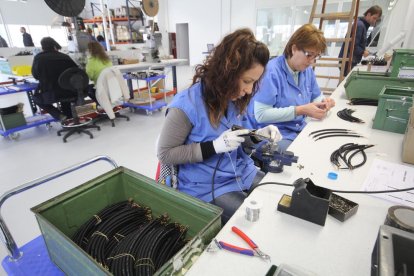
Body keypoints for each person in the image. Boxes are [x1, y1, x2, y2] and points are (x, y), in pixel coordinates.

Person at [157, 28, 282, 224]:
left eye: (254, 82)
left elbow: (243, 135)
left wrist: (259, 135)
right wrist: (213, 147)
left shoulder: (235, 98)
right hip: (207, 186)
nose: (249, 90)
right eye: (246, 81)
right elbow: (165, 154)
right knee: (256, 222)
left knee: (277, 199)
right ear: (227, 72)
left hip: (241, 171)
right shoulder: (186, 105)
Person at [249, 24, 335, 151]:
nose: (312, 61)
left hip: (297, 128)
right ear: (294, 48)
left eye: (315, 56)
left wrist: (325, 103)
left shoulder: (306, 70)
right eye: (308, 55)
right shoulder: (271, 72)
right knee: (301, 154)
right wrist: (300, 110)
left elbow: (317, 97)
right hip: (274, 134)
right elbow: (261, 115)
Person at [32, 37, 78, 121]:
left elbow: (35, 75)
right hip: (70, 91)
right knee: (65, 99)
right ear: (54, 45)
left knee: (36, 98)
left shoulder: (39, 58)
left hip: (51, 93)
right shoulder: (65, 57)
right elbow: (76, 72)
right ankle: (70, 120)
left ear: (42, 47)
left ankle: (58, 115)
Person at [338, 5, 382, 76]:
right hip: (347, 60)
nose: (375, 21)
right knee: (344, 83)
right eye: (374, 18)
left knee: (345, 82)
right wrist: (362, 52)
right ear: (368, 14)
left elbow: (357, 43)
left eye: (376, 19)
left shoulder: (363, 25)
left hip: (349, 59)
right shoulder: (360, 25)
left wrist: (363, 50)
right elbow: (352, 45)